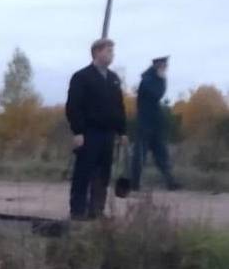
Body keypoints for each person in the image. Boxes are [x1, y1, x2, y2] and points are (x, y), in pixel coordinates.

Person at [65, 37, 128, 220]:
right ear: (97, 52)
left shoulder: (113, 79)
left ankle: (96, 211)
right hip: (89, 133)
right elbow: (73, 106)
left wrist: (122, 131)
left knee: (103, 174)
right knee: (83, 172)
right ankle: (78, 211)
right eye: (108, 51)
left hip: (108, 134)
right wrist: (78, 131)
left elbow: (119, 107)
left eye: (112, 51)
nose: (112, 55)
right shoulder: (82, 77)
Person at [132, 56, 180, 191]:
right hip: (145, 123)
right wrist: (162, 79)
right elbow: (157, 94)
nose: (166, 68)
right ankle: (134, 183)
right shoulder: (147, 80)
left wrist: (162, 79)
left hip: (155, 123)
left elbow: (159, 94)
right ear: (158, 65)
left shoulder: (155, 78)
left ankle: (170, 182)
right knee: (140, 154)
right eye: (164, 65)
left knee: (162, 154)